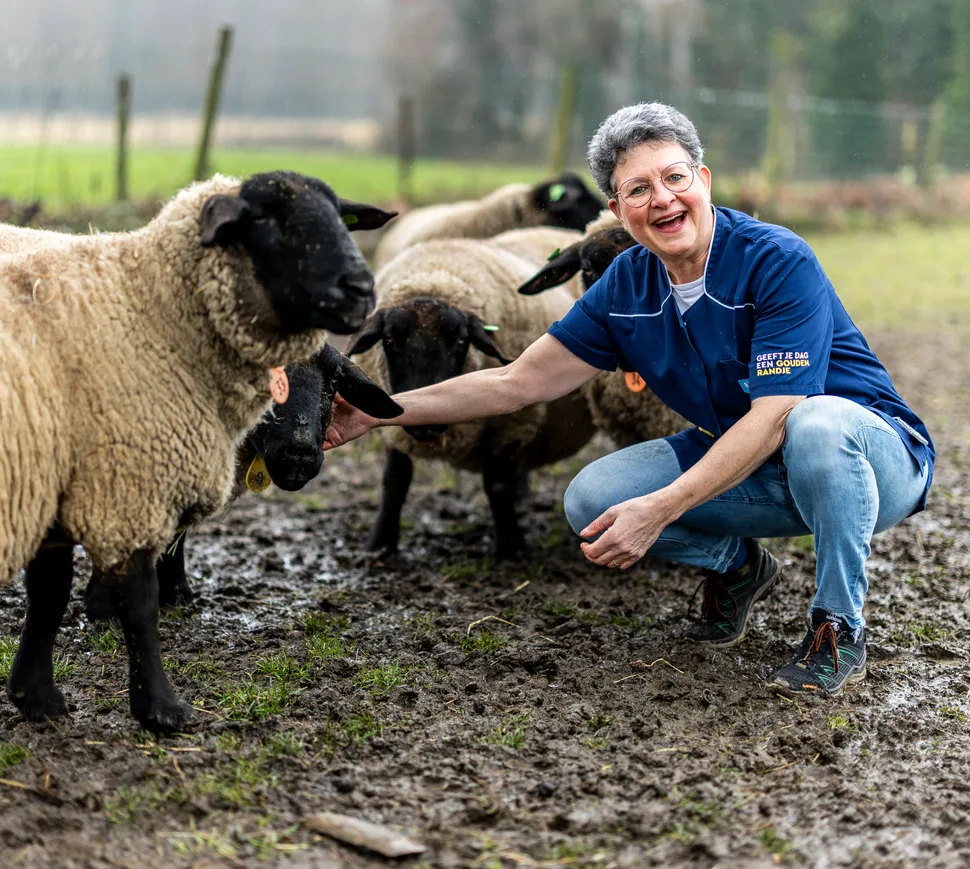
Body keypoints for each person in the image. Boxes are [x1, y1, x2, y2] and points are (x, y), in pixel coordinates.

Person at [324, 103, 934, 696]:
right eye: (638, 190)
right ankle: (740, 567)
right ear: (616, 210)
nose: (663, 198)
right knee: (593, 499)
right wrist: (376, 411)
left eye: (675, 177)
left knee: (816, 422)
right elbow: (517, 382)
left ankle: (837, 624)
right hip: (758, 466)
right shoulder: (626, 284)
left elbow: (775, 415)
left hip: (872, 461)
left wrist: (661, 508)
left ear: (704, 180)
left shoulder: (775, 259)